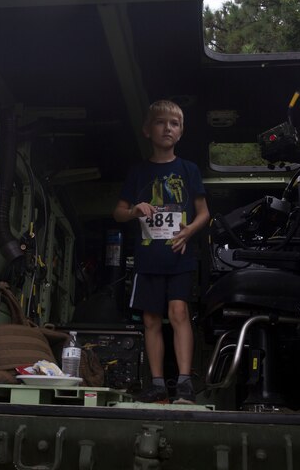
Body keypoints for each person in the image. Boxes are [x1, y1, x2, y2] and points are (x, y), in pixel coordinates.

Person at [113, 100, 210, 404]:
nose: (167, 128)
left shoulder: (188, 169)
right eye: (160, 122)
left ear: (181, 132)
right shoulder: (138, 172)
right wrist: (134, 212)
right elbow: (118, 212)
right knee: (151, 319)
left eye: (175, 124)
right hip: (148, 257)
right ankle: (156, 383)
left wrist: (188, 231)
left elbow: (204, 213)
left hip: (179, 254)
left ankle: (184, 384)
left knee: (179, 312)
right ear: (147, 130)